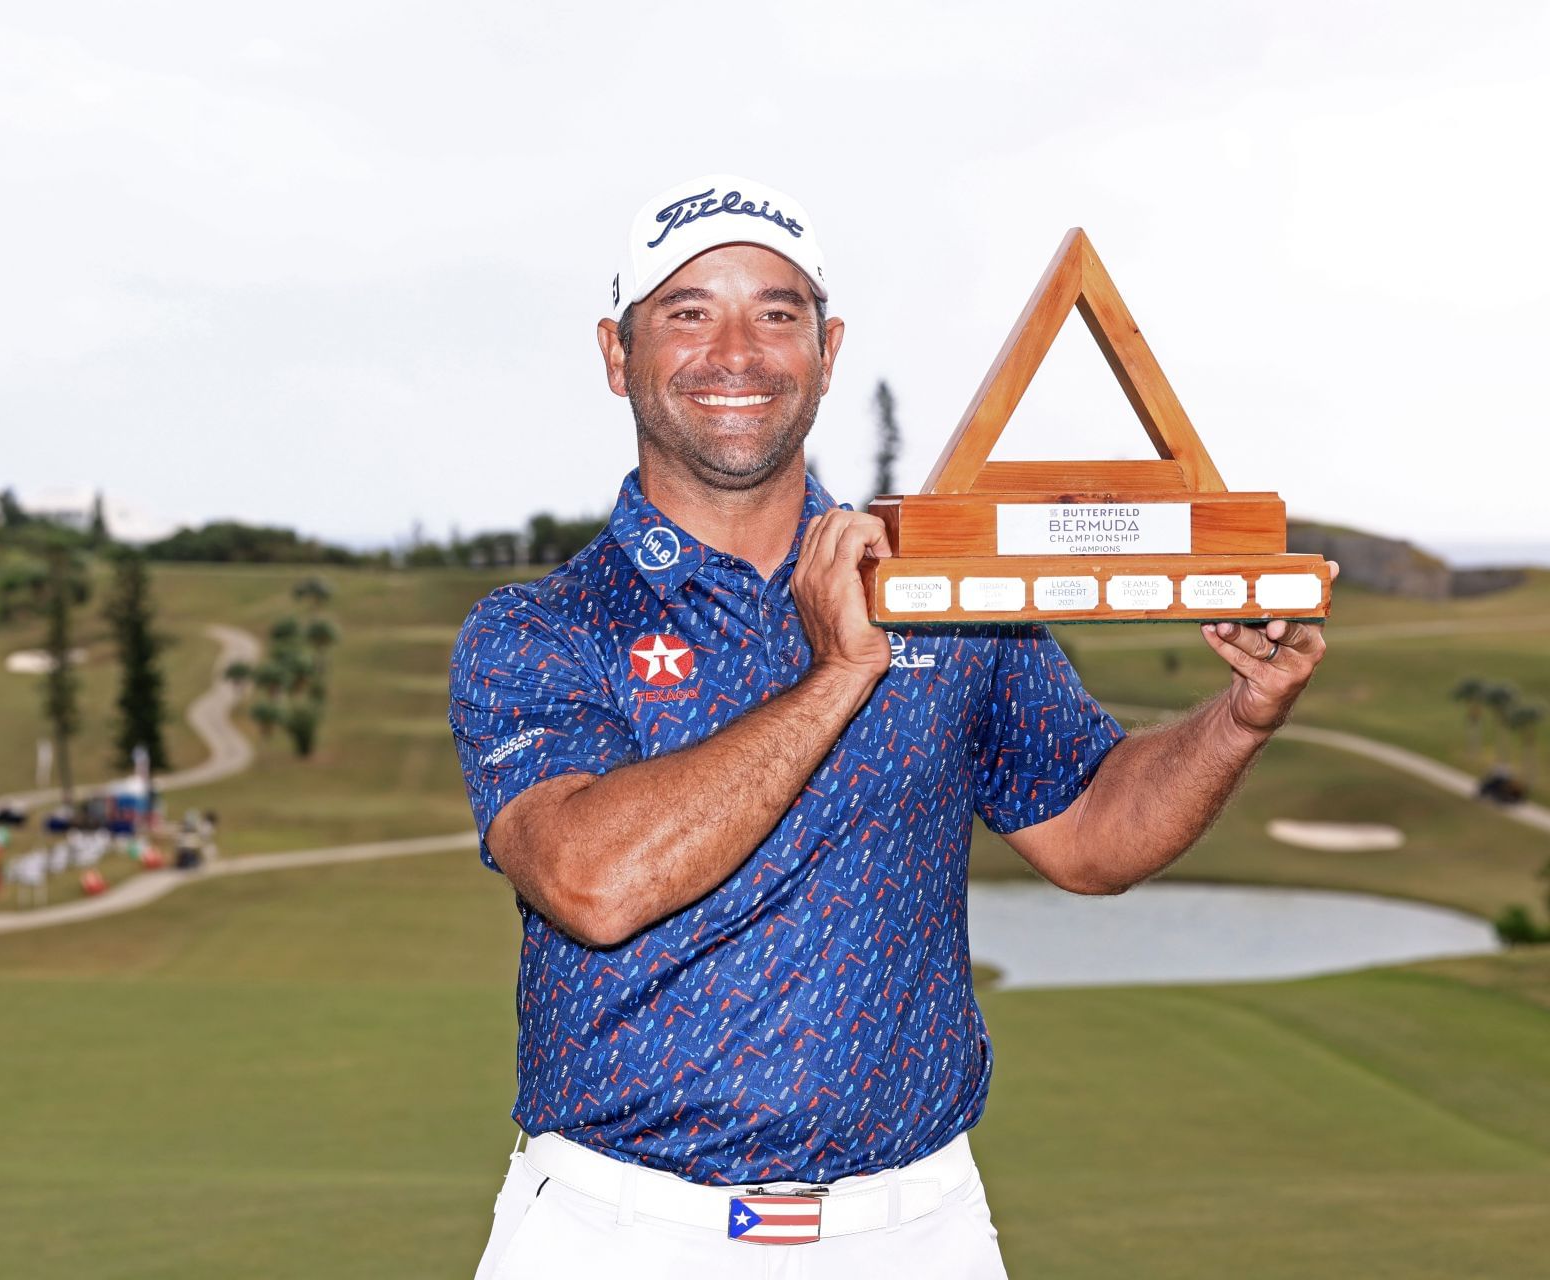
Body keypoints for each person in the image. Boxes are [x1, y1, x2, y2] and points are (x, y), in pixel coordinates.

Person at [447, 174, 1330, 1279]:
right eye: (687, 311)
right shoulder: (540, 627)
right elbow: (592, 880)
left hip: (915, 1229)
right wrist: (837, 674)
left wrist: (1239, 717)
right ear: (616, 354)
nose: (738, 349)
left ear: (827, 346)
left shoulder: (944, 593)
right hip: (620, 1231)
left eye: (778, 311)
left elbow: (1095, 831)